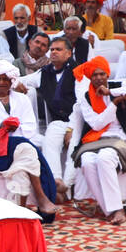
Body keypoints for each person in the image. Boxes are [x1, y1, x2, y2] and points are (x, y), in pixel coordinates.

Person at [0, 58, 57, 219]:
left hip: (19, 149)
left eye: (6, 79)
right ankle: (42, 197)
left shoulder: (22, 99)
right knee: (28, 149)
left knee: (22, 167)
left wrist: (14, 128)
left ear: (12, 80)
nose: (2, 82)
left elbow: (31, 129)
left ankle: (19, 212)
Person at [65, 57, 126, 224]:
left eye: (102, 74)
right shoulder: (86, 97)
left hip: (119, 136)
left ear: (107, 74)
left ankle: (117, 208)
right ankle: (108, 210)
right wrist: (115, 104)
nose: (98, 78)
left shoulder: (117, 87)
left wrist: (112, 94)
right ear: (90, 77)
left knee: (104, 157)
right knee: (87, 161)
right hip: (95, 137)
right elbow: (96, 124)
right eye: (95, 75)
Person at [19, 37, 79, 188]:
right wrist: (18, 85)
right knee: (49, 142)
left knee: (73, 145)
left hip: (78, 121)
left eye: (58, 49)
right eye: (52, 49)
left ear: (68, 53)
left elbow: (81, 105)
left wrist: (72, 128)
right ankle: (56, 182)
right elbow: (23, 80)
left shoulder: (79, 72)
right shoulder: (44, 72)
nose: (53, 52)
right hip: (58, 121)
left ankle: (68, 184)